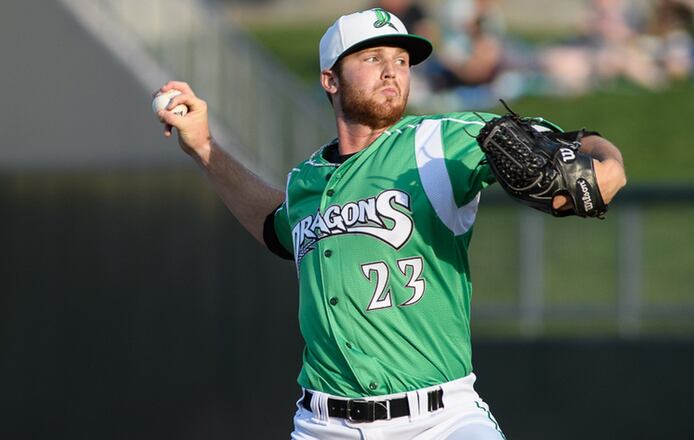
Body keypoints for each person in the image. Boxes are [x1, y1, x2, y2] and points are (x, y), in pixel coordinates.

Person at [155, 8, 626, 439]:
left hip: (441, 421)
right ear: (330, 79)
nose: (391, 71)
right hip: (324, 425)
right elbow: (275, 227)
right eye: (373, 57)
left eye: (401, 60)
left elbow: (584, 157)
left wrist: (601, 158)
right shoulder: (306, 182)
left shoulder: (438, 143)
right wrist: (205, 149)